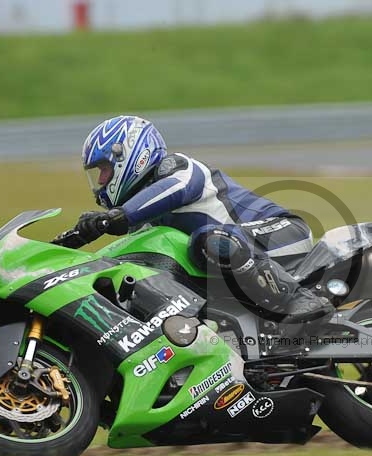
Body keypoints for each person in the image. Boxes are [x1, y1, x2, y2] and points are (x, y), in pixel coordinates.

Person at [64, 115, 333, 323]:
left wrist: (113, 218)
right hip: (234, 263)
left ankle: (297, 299)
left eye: (104, 169)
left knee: (209, 240)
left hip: (279, 232)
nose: (100, 181)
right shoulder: (142, 218)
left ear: (130, 155)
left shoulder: (178, 169)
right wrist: (75, 241)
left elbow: (172, 190)